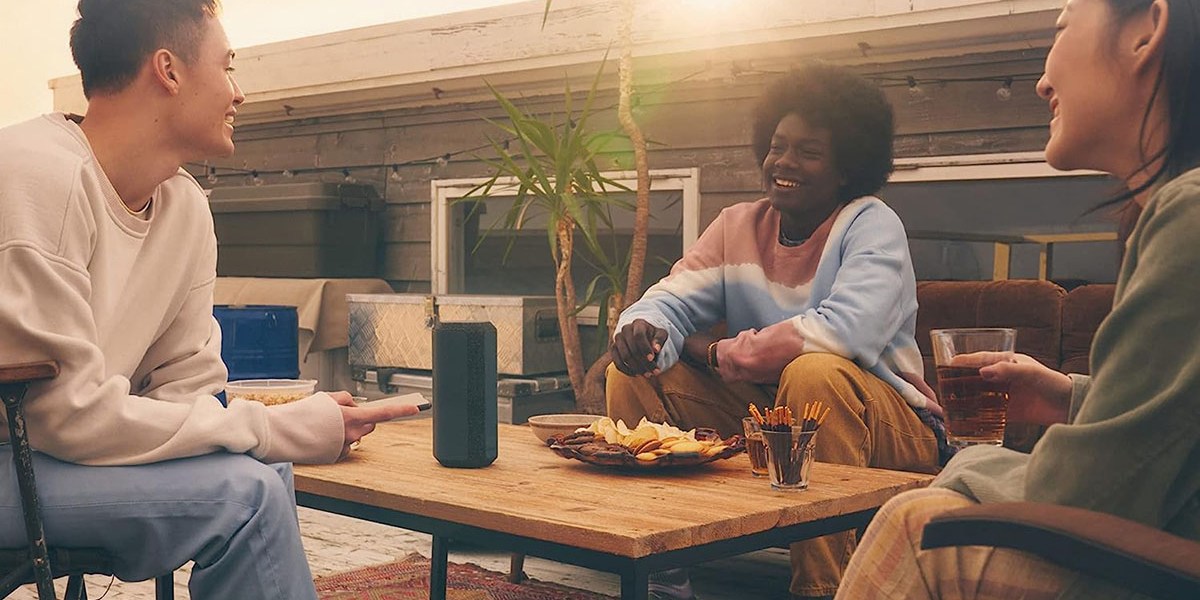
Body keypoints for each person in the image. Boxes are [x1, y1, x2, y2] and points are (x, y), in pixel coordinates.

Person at [0, 1, 415, 598]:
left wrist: (269, 433)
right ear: (168, 70)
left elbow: (186, 386)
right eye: (228, 67)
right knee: (247, 493)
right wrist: (273, 426)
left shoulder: (185, 209)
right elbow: (59, 414)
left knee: (262, 471)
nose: (239, 93)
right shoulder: (38, 175)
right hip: (14, 462)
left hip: (56, 462)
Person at [835, 0, 1200, 598]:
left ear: (1145, 31)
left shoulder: (1189, 215)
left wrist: (960, 468)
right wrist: (1069, 396)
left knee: (915, 527)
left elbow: (1093, 493)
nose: (1041, 80)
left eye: (1059, 32)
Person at [607, 62, 946, 599]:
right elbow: (669, 301)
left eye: (808, 152)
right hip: (770, 419)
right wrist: (641, 331)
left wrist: (716, 352)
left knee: (815, 376)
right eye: (777, 146)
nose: (784, 163)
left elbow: (843, 334)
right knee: (635, 374)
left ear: (846, 169)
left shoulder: (870, 224)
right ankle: (659, 580)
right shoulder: (737, 224)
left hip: (890, 427)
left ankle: (825, 589)